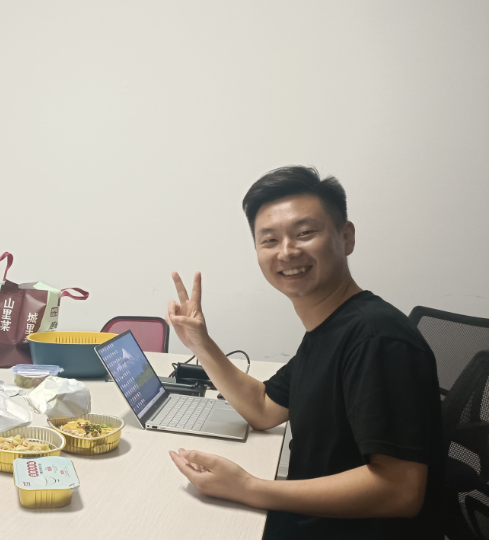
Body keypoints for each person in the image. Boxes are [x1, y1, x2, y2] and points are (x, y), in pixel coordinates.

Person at [166, 166, 443, 539]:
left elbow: (400, 489)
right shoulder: (330, 329)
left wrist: (247, 487)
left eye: (305, 233)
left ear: (346, 237)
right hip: (308, 519)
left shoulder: (376, 339)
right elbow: (263, 407)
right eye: (269, 240)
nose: (287, 251)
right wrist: (201, 343)